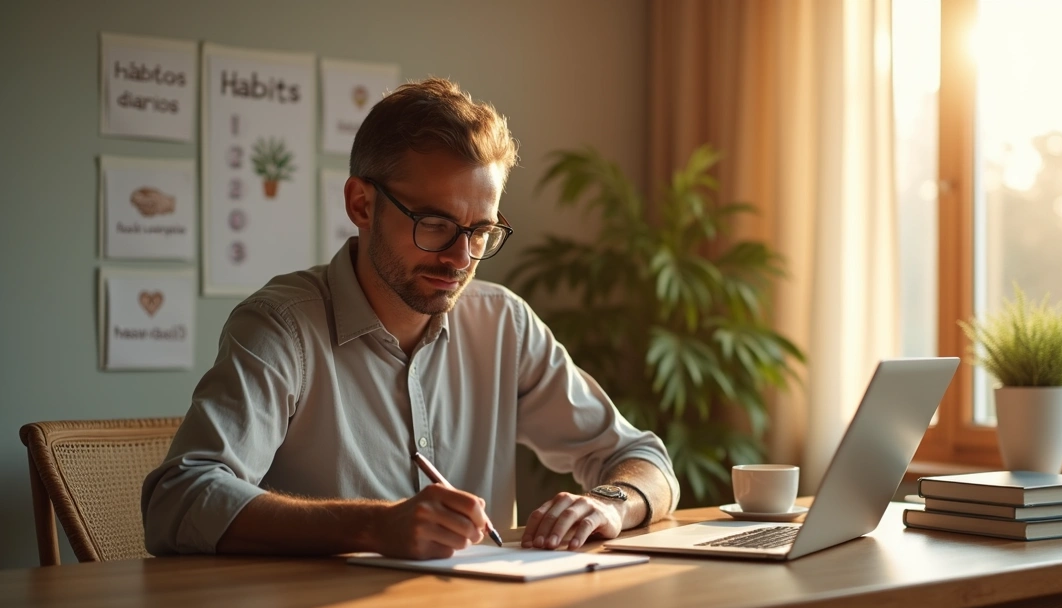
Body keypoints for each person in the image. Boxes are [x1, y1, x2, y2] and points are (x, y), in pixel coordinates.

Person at [142, 78, 679, 559]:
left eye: (480, 231)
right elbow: (179, 500)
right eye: (435, 223)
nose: (461, 257)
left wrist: (612, 503)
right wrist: (372, 527)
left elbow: (641, 457)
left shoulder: (504, 325)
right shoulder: (282, 326)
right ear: (361, 205)